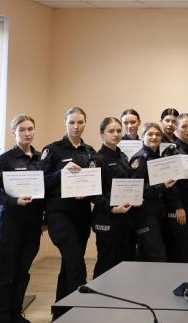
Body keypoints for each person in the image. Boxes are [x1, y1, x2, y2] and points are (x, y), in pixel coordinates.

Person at [40, 107, 99, 319]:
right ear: (65, 122)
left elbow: (95, 181)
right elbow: (41, 183)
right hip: (59, 214)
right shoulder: (52, 150)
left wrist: (88, 190)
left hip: (81, 215)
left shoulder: (90, 152)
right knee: (76, 265)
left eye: (80, 122)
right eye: (72, 122)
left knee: (69, 265)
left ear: (85, 123)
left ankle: (60, 314)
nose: (76, 127)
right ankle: (79, 315)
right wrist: (60, 173)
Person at [0, 114, 43, 323]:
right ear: (14, 133)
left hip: (33, 225)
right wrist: (13, 201)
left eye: (30, 129)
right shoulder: (4, 160)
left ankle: (15, 314)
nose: (27, 133)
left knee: (22, 272)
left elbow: (45, 189)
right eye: (22, 130)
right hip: (10, 225)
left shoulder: (41, 159)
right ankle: (2, 317)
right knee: (6, 273)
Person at [92, 117, 136, 278]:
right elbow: (94, 194)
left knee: (125, 261)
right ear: (102, 134)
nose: (116, 134)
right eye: (111, 131)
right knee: (107, 262)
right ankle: (98, 293)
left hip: (125, 217)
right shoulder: (97, 159)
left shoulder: (122, 156)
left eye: (118, 131)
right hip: (108, 217)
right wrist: (112, 208)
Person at [161, 113, 188, 263]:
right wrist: (178, 206)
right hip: (179, 205)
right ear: (176, 128)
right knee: (183, 244)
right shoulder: (170, 151)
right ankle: (179, 276)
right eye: (184, 126)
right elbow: (169, 184)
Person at [128, 123, 172, 263]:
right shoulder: (140, 159)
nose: (154, 137)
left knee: (144, 253)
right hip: (143, 213)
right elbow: (136, 189)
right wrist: (162, 186)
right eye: (150, 134)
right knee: (157, 254)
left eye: (157, 134)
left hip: (156, 210)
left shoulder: (157, 158)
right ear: (142, 136)